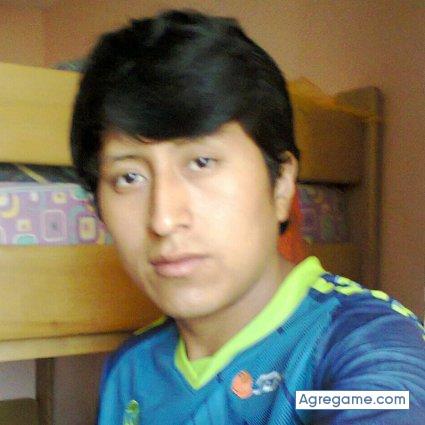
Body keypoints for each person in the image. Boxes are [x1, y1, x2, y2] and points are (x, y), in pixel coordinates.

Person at [70, 10, 424, 425]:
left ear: (281, 184)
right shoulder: (130, 371)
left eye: (202, 162)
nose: (163, 219)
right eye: (129, 177)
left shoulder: (358, 343)